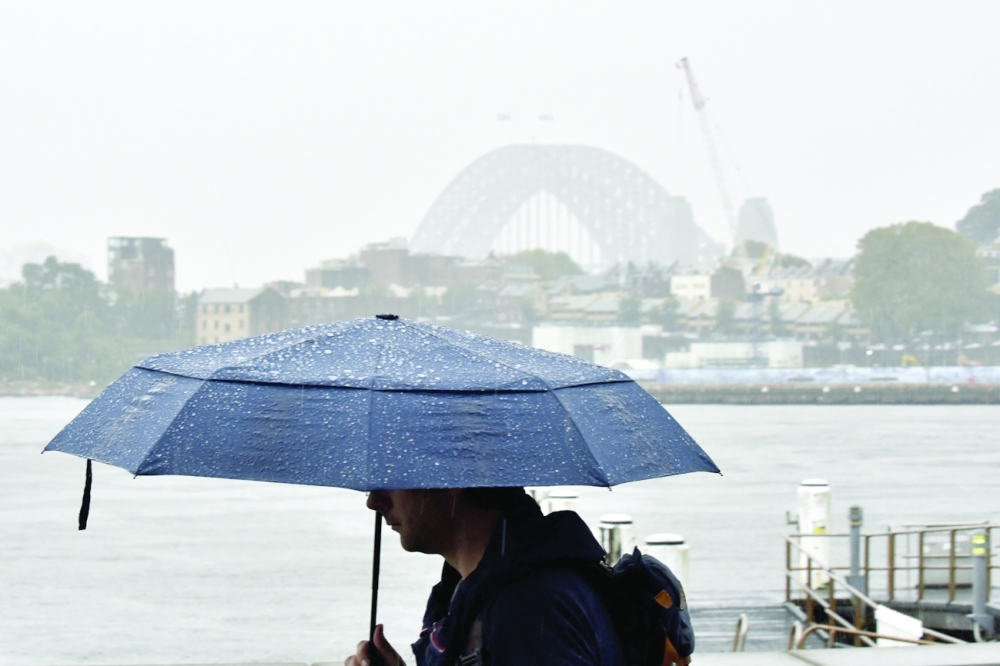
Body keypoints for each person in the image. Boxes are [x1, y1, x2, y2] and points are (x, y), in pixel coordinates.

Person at [344, 487, 625, 666]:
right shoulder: (487, 588)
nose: (374, 501)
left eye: (390, 477)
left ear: (451, 479)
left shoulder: (526, 608)